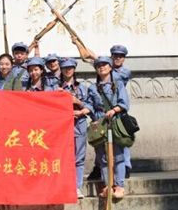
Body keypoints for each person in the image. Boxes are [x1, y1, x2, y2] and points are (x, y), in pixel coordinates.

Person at [89, 56, 129, 200]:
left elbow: (124, 103)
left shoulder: (118, 84)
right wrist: (90, 114)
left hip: (115, 121)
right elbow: (89, 104)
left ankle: (119, 185)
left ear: (110, 67)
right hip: (100, 123)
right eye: (99, 66)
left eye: (105, 65)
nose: (102, 67)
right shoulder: (93, 87)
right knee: (102, 157)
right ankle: (108, 184)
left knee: (118, 155)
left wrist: (114, 110)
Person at [56, 57, 94, 199]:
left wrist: (78, 104)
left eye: (70, 68)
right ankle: (63, 186)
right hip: (60, 127)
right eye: (65, 68)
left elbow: (90, 105)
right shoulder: (55, 88)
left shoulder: (82, 87)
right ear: (61, 69)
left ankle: (77, 187)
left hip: (78, 124)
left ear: (74, 69)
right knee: (61, 157)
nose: (68, 70)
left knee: (79, 157)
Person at [110, 44, 133, 179]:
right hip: (107, 110)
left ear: (124, 58)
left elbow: (112, 76)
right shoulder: (106, 67)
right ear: (111, 56)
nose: (118, 58)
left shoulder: (125, 72)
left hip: (119, 109)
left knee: (123, 138)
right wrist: (77, 42)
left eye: (121, 56)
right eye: (115, 55)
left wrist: (100, 63)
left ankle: (126, 166)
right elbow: (89, 56)